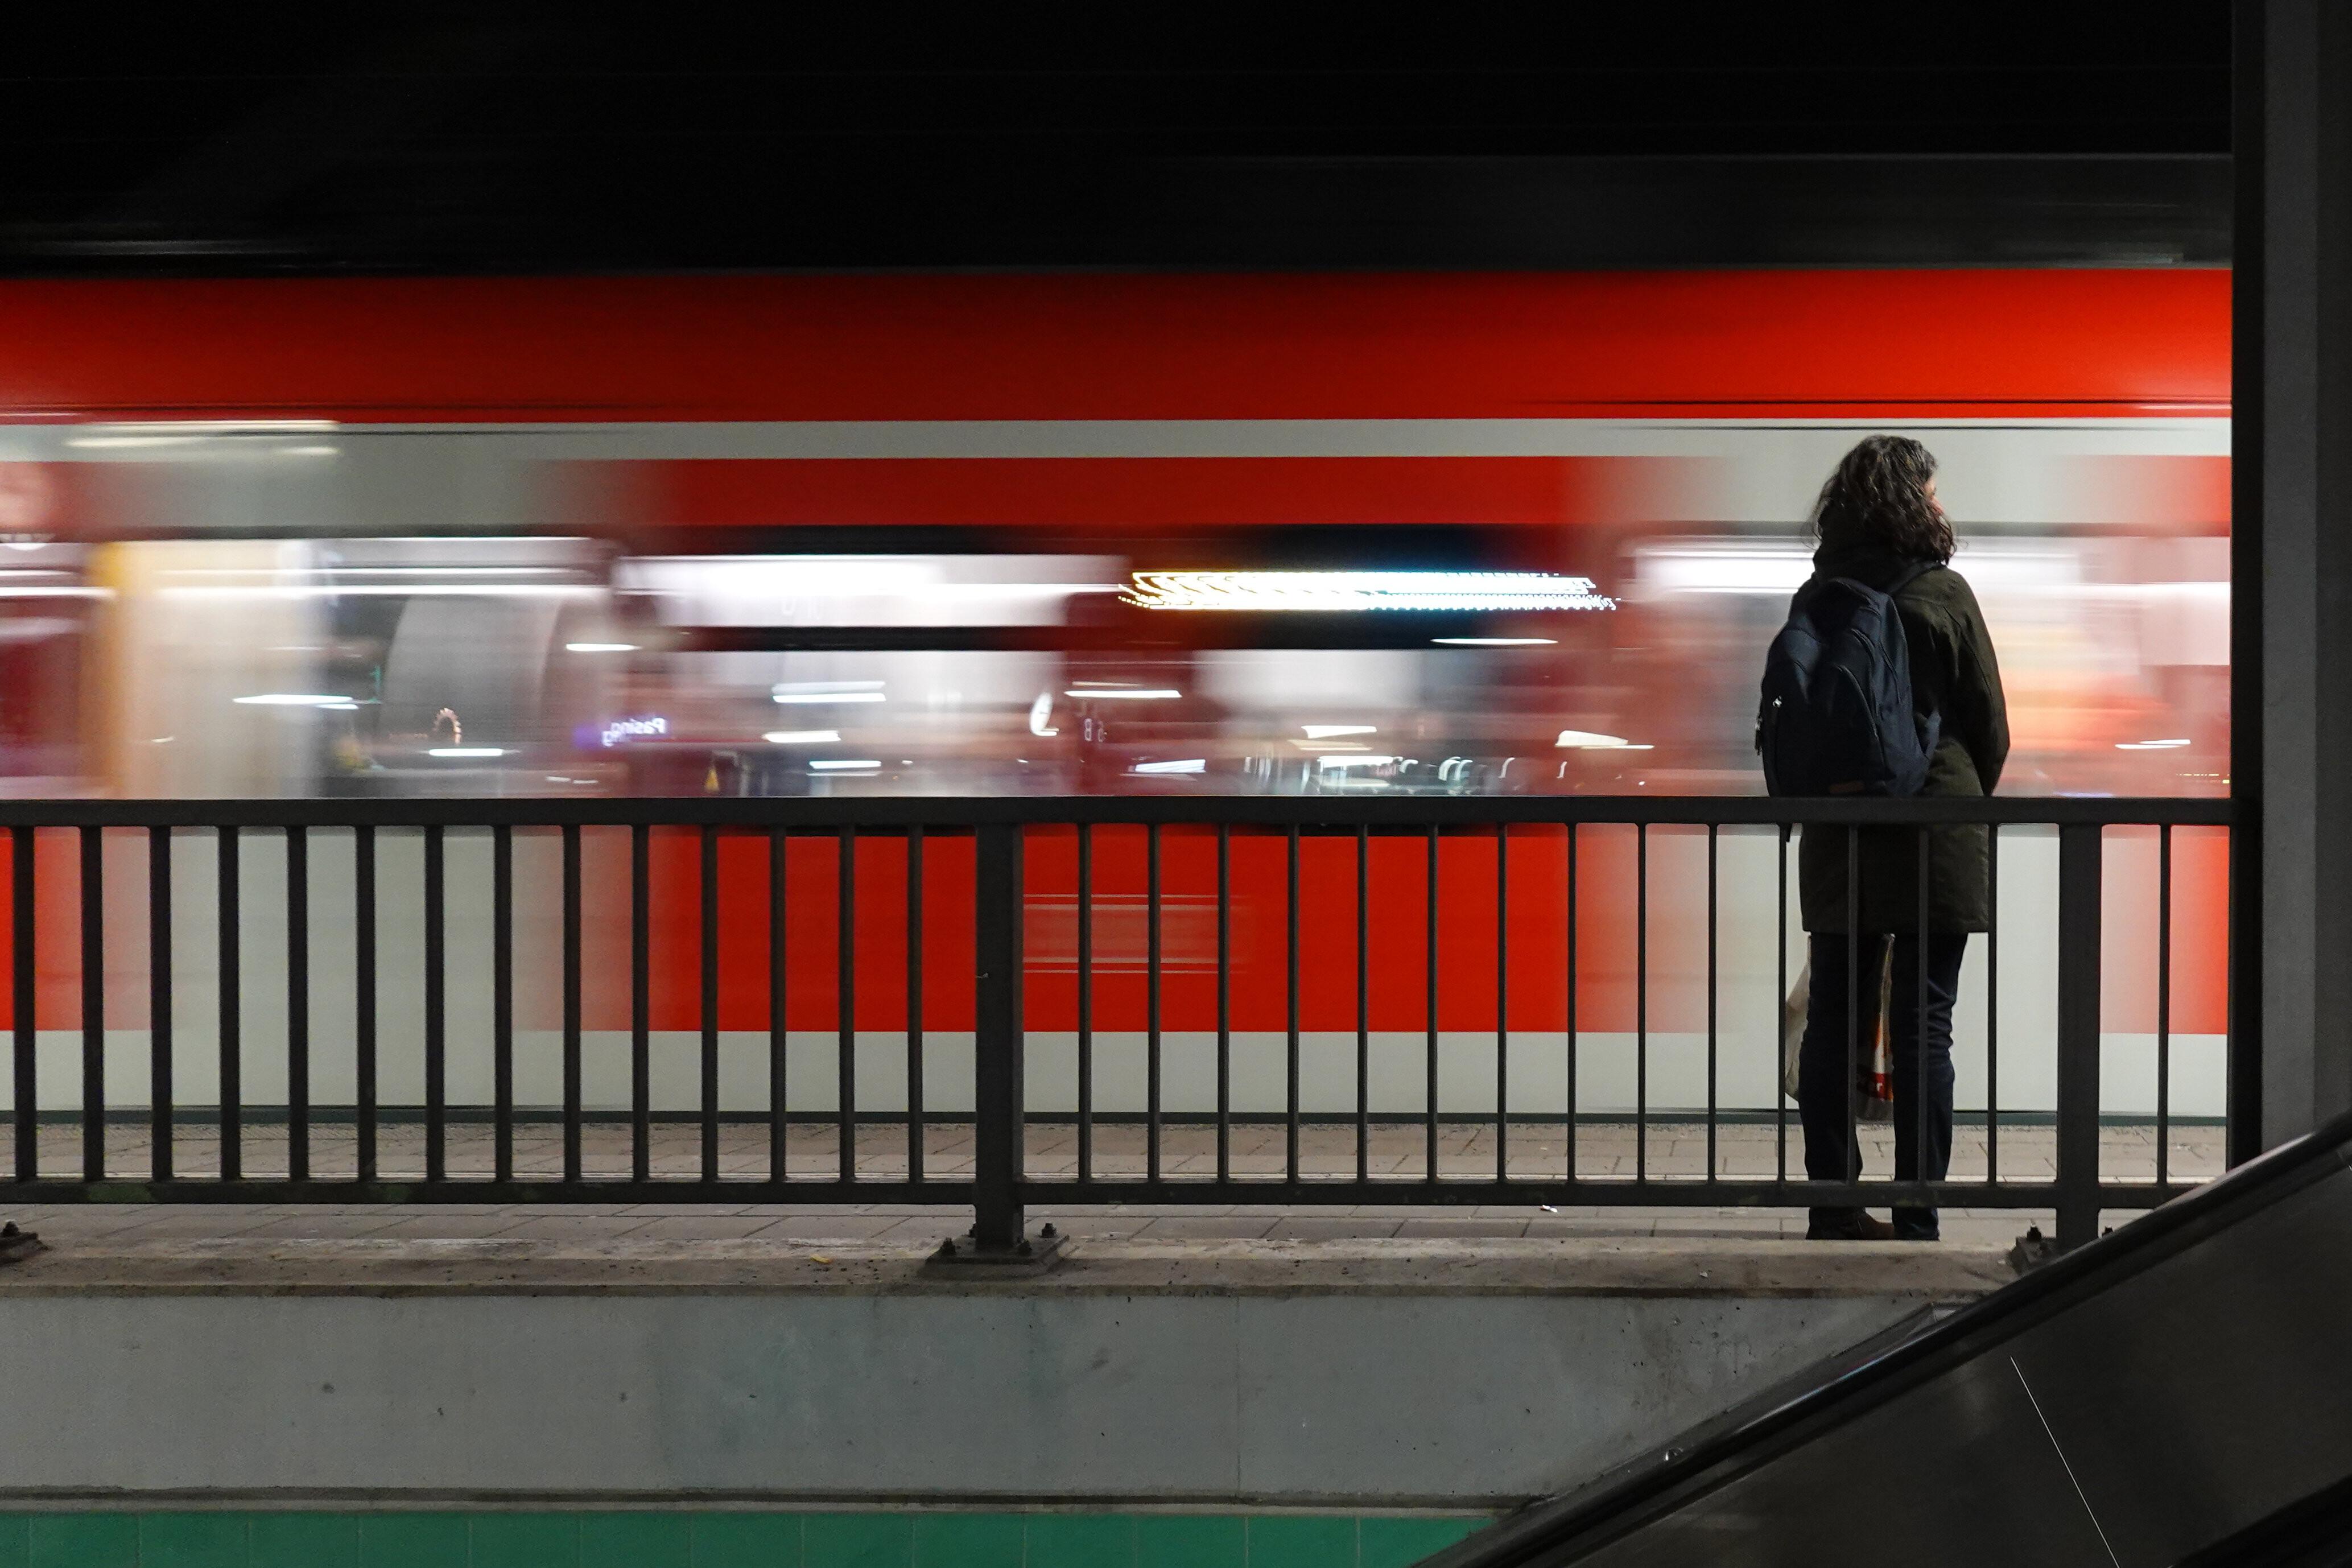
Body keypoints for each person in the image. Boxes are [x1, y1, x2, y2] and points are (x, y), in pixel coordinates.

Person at [1793, 435, 2008, 1241]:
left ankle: (1832, 1208)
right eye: (1931, 492)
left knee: (1833, 1021)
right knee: (1924, 1024)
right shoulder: (1943, 592)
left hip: (1840, 828)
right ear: (1911, 502)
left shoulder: (1819, 594)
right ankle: (1917, 1214)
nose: (1939, 505)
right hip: (1933, 827)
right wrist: (1955, 792)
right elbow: (1989, 724)